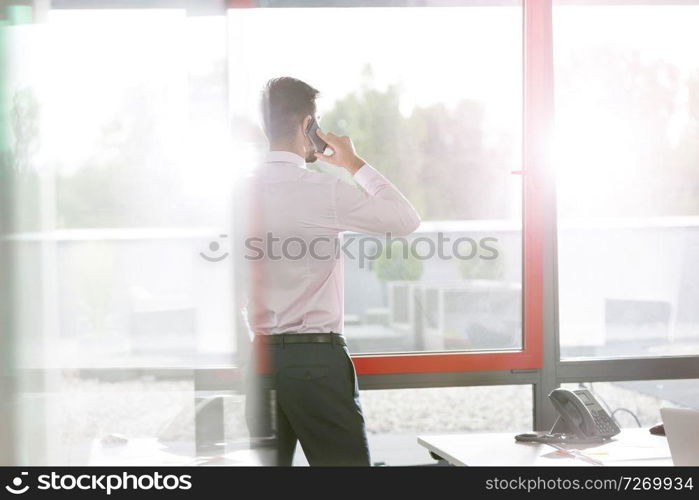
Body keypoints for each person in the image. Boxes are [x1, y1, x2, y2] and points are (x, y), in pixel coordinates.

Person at [240, 76, 420, 466]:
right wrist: (353, 162)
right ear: (308, 125)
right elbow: (404, 219)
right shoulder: (321, 191)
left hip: (258, 362)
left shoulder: (239, 194)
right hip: (314, 363)